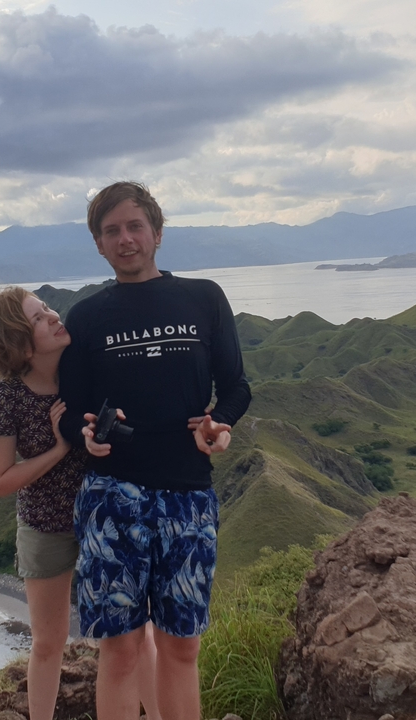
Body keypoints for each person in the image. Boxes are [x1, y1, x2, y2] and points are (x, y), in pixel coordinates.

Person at [58, 182, 251, 720]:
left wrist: (221, 425)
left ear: (157, 233)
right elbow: (71, 412)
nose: (125, 239)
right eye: (111, 230)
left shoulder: (204, 297)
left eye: (134, 226)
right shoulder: (87, 317)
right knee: (118, 650)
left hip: (188, 495)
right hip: (112, 498)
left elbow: (236, 387)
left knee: (182, 646)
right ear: (99, 244)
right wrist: (85, 434)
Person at [0, 287, 164, 720]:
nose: (54, 316)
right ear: (20, 343)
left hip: (107, 517)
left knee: (136, 633)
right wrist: (60, 448)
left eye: (46, 308)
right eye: (39, 318)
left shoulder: (88, 371)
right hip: (46, 523)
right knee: (48, 640)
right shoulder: (5, 397)